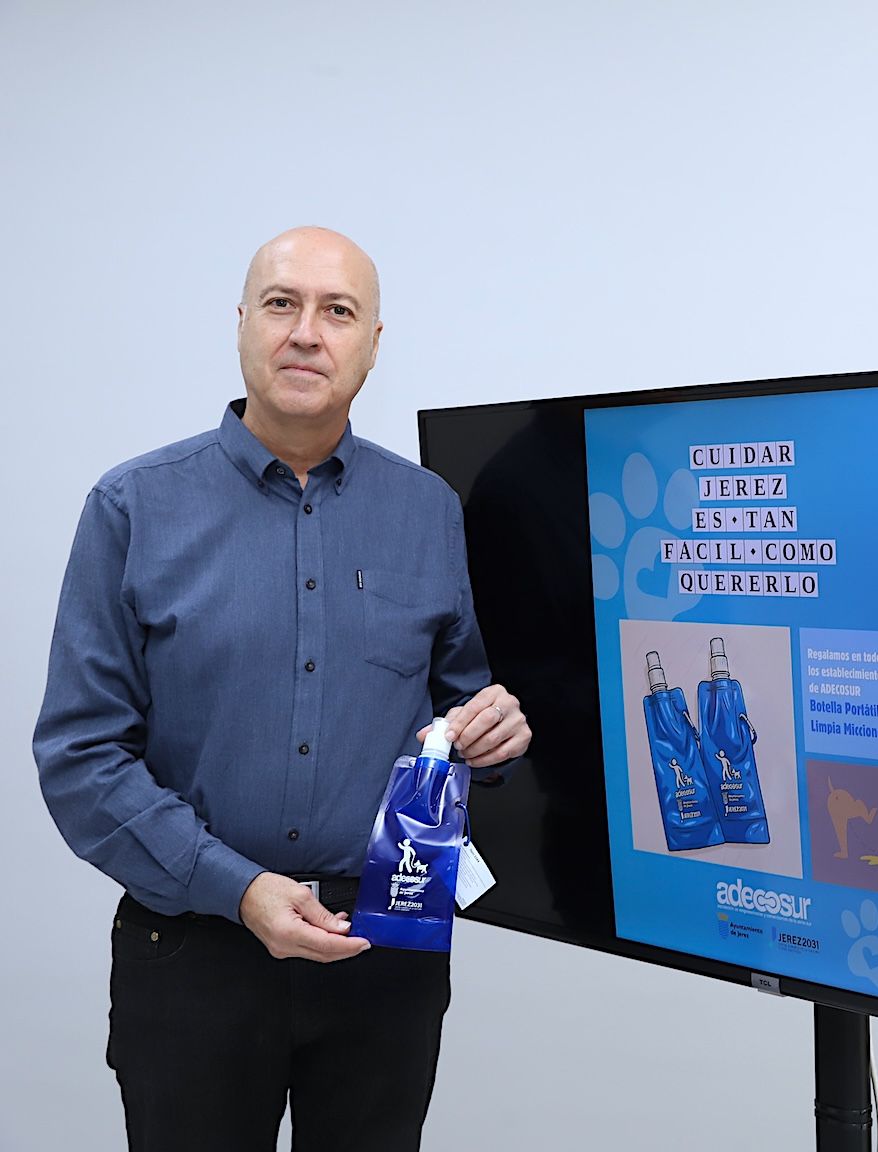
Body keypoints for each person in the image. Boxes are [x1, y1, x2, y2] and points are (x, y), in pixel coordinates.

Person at [34, 226, 533, 1152]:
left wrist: (490, 734)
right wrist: (238, 888)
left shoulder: (427, 513)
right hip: (193, 949)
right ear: (242, 326)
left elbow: (455, 713)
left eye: (338, 311)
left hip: (383, 948)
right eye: (282, 303)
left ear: (373, 344)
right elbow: (80, 758)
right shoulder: (133, 508)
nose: (307, 332)